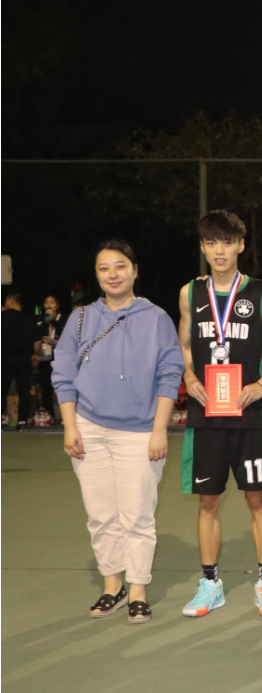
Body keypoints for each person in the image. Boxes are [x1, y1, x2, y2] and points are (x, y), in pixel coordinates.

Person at [52, 240, 183, 623]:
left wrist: (159, 430)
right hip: (89, 428)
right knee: (100, 515)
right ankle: (113, 585)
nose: (113, 274)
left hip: (139, 432)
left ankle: (138, 588)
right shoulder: (80, 318)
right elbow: (63, 374)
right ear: (97, 275)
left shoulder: (156, 318)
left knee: (137, 515)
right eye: (104, 268)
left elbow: (169, 373)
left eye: (121, 266)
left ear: (135, 271)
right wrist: (70, 426)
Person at [175, 211, 262, 619]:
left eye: (227, 242)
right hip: (206, 413)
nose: (219, 250)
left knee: (257, 498)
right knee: (208, 500)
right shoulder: (190, 293)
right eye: (211, 242)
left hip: (248, 413)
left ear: (241, 245)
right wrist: (189, 375)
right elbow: (183, 344)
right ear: (203, 247)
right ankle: (211, 583)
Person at [1, 292, 40, 429]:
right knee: (24, 391)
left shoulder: (2, 317)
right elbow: (37, 342)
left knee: (2, 389)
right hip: (24, 358)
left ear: (11, 301)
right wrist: (35, 355)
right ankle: (22, 421)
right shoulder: (29, 318)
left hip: (5, 358)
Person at [36, 295, 67, 424]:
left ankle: (64, 415)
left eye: (52, 303)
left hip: (60, 357)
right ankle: (48, 414)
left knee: (61, 385)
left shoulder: (63, 319)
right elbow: (37, 333)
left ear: (57, 305)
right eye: (47, 303)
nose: (49, 305)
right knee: (46, 385)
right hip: (45, 357)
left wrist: (52, 320)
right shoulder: (40, 320)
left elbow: (64, 334)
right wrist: (46, 320)